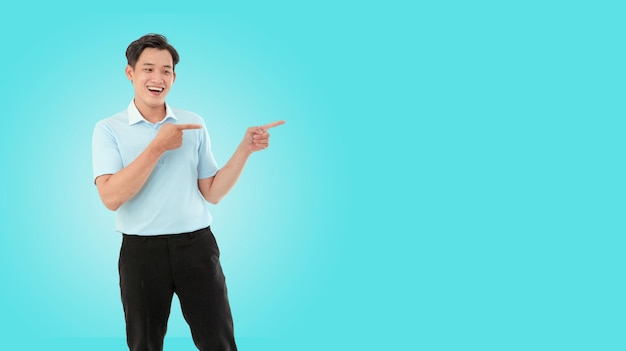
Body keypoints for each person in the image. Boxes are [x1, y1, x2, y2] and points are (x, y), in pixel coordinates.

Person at [92, 33, 284, 351]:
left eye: (166, 70)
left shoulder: (193, 123)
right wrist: (157, 147)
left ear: (174, 77)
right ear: (130, 73)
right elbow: (111, 197)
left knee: (219, 341)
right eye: (148, 69)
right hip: (142, 253)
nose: (158, 78)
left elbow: (212, 192)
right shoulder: (108, 129)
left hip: (197, 247)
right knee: (144, 344)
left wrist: (245, 150)